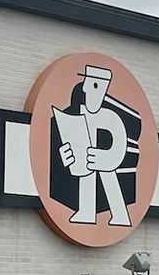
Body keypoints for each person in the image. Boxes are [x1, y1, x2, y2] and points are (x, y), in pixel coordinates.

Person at [54, 65, 133, 226]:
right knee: (87, 166)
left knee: (103, 170)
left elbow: (118, 148)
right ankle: (86, 212)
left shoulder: (110, 118)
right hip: (84, 165)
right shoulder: (75, 113)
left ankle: (119, 214)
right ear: (85, 86)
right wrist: (62, 155)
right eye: (92, 85)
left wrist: (107, 158)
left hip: (105, 162)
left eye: (99, 86)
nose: (94, 91)